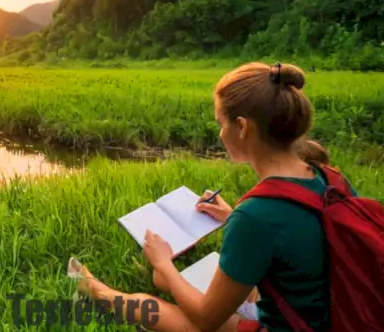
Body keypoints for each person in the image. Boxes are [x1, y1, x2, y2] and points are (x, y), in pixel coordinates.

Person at [76, 62, 355, 331]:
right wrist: (231, 216)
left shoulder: (256, 215)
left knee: (153, 300)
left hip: (289, 325)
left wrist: (163, 261)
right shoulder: (329, 177)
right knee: (162, 278)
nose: (221, 133)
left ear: (243, 127)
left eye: (221, 122)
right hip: (335, 314)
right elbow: (298, 235)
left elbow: (206, 319)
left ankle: (101, 295)